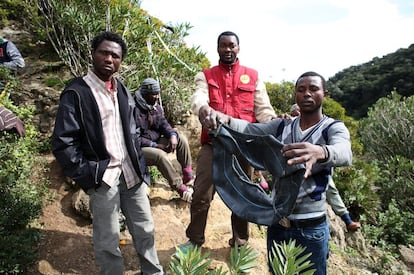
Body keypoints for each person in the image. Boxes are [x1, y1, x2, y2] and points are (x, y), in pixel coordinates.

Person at [207, 71, 352, 274]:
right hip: (278, 223)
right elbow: (250, 129)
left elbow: (345, 152)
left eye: (313, 89)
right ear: (295, 95)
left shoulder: (332, 128)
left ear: (325, 94)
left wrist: (321, 151)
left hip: (310, 227)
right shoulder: (282, 126)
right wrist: (222, 119)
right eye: (301, 90)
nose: (307, 94)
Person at [51, 31, 164, 275]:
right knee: (108, 240)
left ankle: (153, 272)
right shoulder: (76, 93)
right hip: (104, 178)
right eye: (104, 52)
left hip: (132, 174)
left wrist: (140, 164)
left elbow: (132, 131)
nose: (109, 59)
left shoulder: (121, 89)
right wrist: (88, 175)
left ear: (120, 61)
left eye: (115, 55)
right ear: (93, 54)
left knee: (145, 230)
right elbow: (63, 141)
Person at [177, 31, 277, 255]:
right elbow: (198, 98)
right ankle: (194, 241)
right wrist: (204, 109)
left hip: (244, 147)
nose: (227, 49)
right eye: (223, 46)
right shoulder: (206, 75)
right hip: (214, 146)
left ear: (238, 48)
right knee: (201, 194)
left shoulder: (253, 76)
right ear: (217, 48)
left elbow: (263, 110)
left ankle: (239, 244)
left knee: (243, 196)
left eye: (231, 45)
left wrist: (274, 123)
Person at [290, 103, 360, 232]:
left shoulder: (324, 125)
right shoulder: (289, 126)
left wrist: (324, 153)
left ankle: (347, 220)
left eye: (298, 113)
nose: (298, 116)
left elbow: (343, 151)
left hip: (319, 171)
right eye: (295, 114)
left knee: (331, 190)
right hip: (295, 175)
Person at [134, 77, 194, 202]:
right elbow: (134, 138)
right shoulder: (133, 109)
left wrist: (172, 135)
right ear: (145, 94)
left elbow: (163, 124)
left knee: (180, 138)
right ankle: (180, 189)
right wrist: (155, 145)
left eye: (157, 94)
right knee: (160, 155)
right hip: (139, 149)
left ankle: (188, 176)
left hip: (155, 143)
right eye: (153, 94)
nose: (156, 97)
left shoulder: (156, 108)